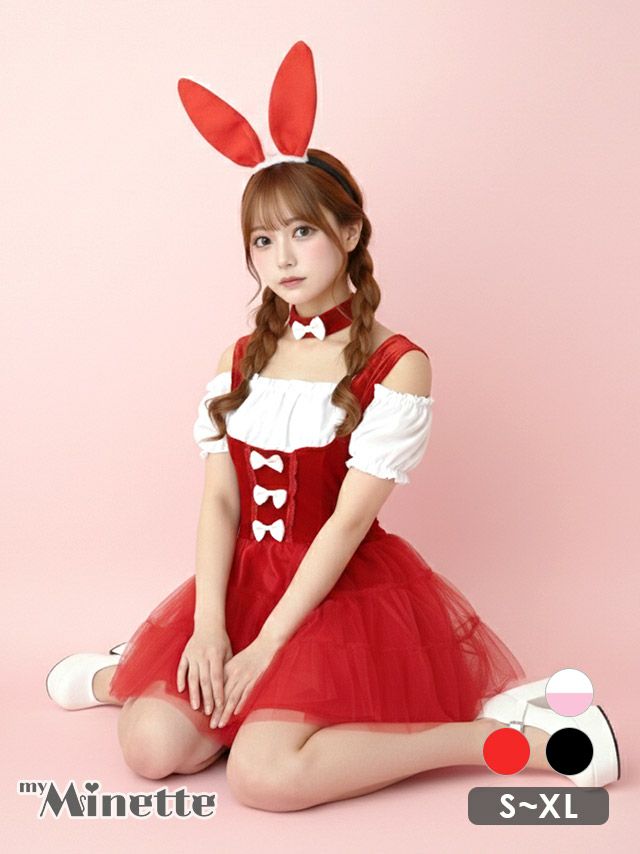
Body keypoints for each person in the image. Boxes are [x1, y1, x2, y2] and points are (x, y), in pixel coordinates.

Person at [46, 41, 620, 811]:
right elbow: (220, 500)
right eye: (263, 240)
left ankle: (503, 732)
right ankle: (124, 672)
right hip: (241, 584)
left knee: (263, 779)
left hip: (335, 592)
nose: (282, 258)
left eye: (302, 232)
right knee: (151, 749)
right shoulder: (241, 357)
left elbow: (348, 523)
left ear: (349, 233)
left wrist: (266, 647)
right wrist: (211, 627)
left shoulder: (396, 365)